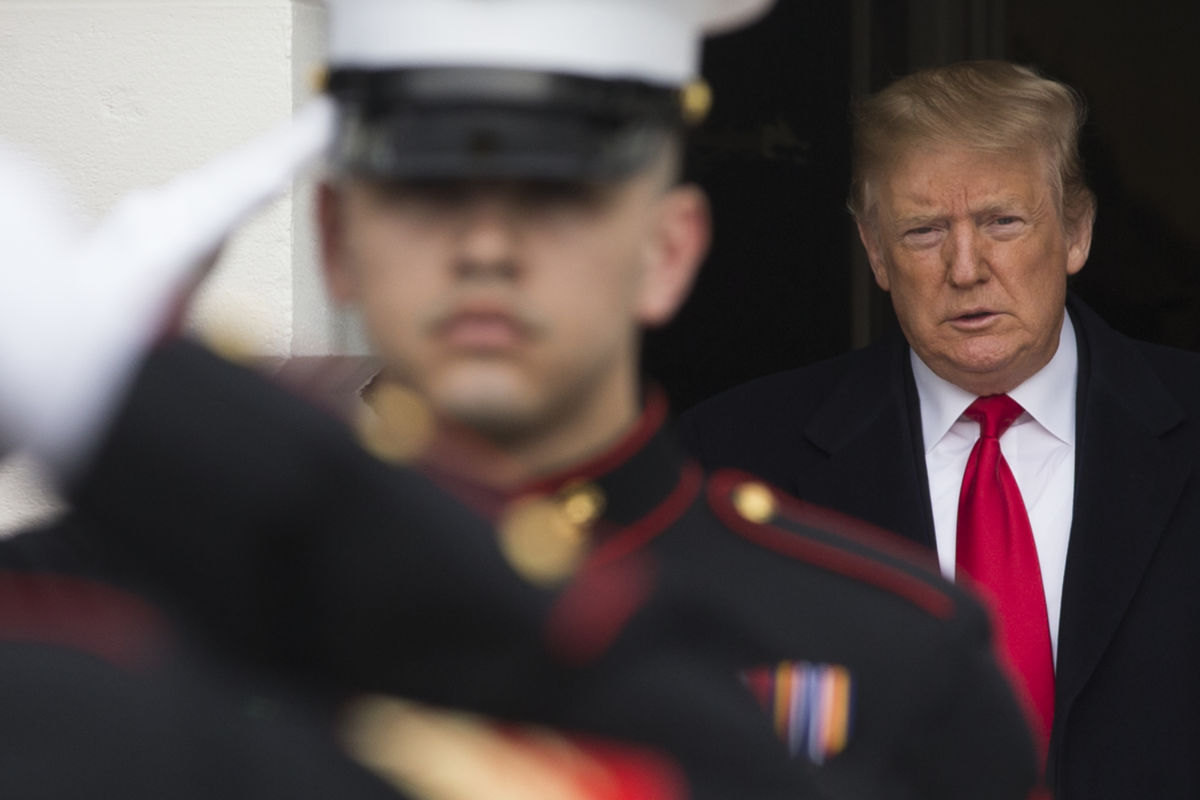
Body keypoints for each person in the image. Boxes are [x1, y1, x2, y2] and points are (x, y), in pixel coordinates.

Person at [0, 7, 1036, 799]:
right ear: (333, 242)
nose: (486, 247)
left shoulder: (894, 645)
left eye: (555, 191)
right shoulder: (106, 595)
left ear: (668, 251)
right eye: (427, 190)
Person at [680, 59, 1200, 800]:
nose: (965, 268)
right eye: (924, 231)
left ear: (1076, 232)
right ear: (875, 251)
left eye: (1002, 222)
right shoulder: (736, 456)